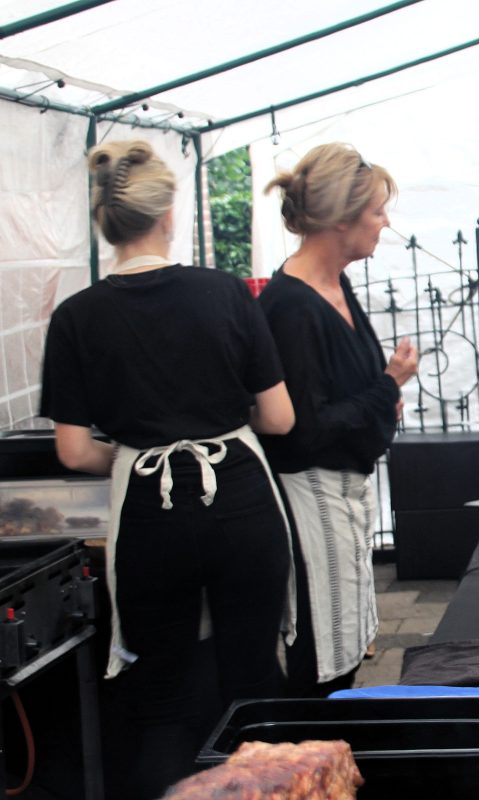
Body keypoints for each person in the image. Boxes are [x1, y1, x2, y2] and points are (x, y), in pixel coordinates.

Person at [40, 140, 295, 797]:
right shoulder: (225, 293)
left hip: (149, 513)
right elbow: (278, 419)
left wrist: (132, 459)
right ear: (168, 213)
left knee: (161, 694)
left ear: (105, 221)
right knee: (253, 678)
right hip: (239, 498)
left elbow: (73, 451)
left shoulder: (76, 317)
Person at [259, 142, 419, 696]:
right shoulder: (290, 306)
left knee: (346, 643)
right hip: (312, 497)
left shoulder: (336, 285)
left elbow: (347, 390)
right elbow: (305, 430)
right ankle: (311, 743)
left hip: (346, 491)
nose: (385, 222)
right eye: (377, 211)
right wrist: (387, 386)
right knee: (321, 652)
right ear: (342, 220)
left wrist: (381, 393)